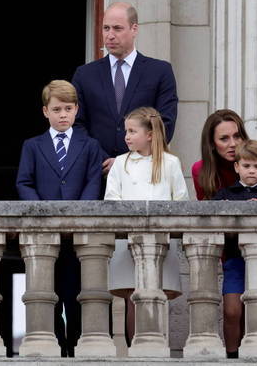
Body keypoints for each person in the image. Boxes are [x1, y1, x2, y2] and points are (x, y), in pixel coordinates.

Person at [16, 80, 105, 356]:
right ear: (45, 112)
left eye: (68, 108)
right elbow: (24, 182)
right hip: (44, 236)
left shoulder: (90, 145)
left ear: (77, 110)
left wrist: (78, 216)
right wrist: (43, 214)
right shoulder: (32, 145)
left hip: (78, 237)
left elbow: (93, 182)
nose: (63, 114)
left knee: (77, 294)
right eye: (57, 109)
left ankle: (77, 348)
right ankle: (54, 348)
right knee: (47, 294)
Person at [191, 109, 257, 359]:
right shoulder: (201, 170)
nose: (233, 143)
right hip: (232, 247)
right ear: (211, 143)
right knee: (234, 306)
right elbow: (207, 217)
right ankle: (234, 356)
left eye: (237, 136)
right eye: (224, 138)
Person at [104, 106, 188, 346]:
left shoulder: (170, 163)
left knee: (157, 295)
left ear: (150, 134)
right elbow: (111, 200)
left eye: (132, 131)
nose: (126, 136)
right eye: (126, 131)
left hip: (161, 242)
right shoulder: (120, 163)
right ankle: (134, 351)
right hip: (126, 241)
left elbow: (181, 202)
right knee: (132, 297)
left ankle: (157, 348)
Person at [71, 2, 178, 175]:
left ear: (134, 29)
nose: (110, 35)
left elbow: (165, 123)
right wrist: (102, 160)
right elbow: (76, 124)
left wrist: (128, 161)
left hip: (145, 173)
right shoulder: (84, 75)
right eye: (106, 28)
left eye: (117, 28)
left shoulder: (159, 71)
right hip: (97, 174)